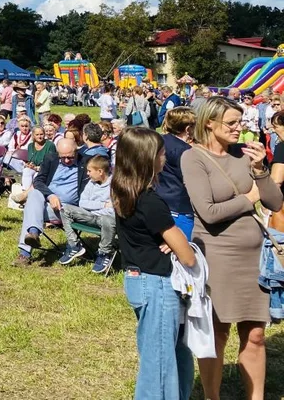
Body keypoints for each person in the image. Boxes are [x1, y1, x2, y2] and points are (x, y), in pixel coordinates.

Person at [181, 96, 282, 400]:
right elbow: (208, 212)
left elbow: (275, 203)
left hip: (255, 258)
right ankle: (213, 396)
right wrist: (249, 198)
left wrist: (262, 170)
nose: (241, 128)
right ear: (209, 123)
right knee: (218, 334)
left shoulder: (244, 154)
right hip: (217, 257)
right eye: (233, 123)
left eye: (242, 122)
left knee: (256, 336)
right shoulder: (193, 158)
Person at [113, 127, 197, 400]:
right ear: (148, 158)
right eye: (161, 153)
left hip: (137, 279)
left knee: (169, 350)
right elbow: (188, 256)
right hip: (158, 284)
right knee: (159, 363)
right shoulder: (150, 202)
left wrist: (169, 239)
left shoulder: (122, 191)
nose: (165, 157)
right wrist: (176, 240)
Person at [13, 137, 86, 267]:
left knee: (30, 210)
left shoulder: (85, 163)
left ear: (76, 151)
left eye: (70, 157)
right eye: (63, 157)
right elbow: (38, 181)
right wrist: (51, 195)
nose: (66, 160)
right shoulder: (51, 159)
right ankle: (33, 233)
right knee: (34, 193)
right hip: (47, 202)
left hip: (67, 209)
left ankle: (25, 252)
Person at [58, 154, 115, 273]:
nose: (87, 174)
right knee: (64, 209)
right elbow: (82, 203)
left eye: (89, 171)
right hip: (90, 215)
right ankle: (74, 245)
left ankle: (104, 253)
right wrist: (102, 205)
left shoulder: (115, 185)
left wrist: (93, 207)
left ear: (100, 171)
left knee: (107, 219)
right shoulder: (91, 183)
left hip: (106, 220)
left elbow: (113, 210)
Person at [157, 107, 196, 240]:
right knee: (185, 247)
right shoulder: (185, 151)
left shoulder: (158, 141)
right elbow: (191, 179)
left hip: (159, 197)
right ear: (187, 129)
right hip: (179, 206)